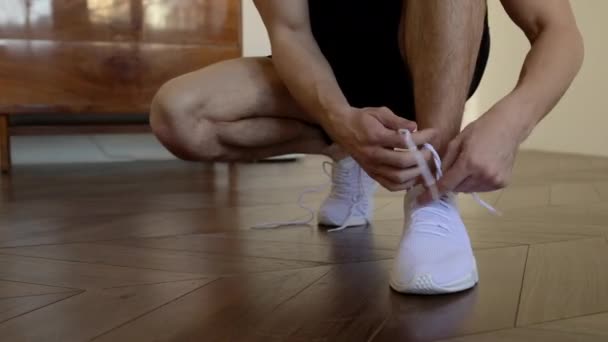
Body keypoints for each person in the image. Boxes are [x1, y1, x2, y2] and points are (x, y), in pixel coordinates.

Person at [149, 0, 584, 294]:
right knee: (179, 114)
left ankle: (431, 194)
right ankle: (349, 151)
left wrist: (511, 124)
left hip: (431, 62)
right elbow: (289, 33)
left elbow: (558, 29)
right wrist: (340, 120)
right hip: (329, 77)